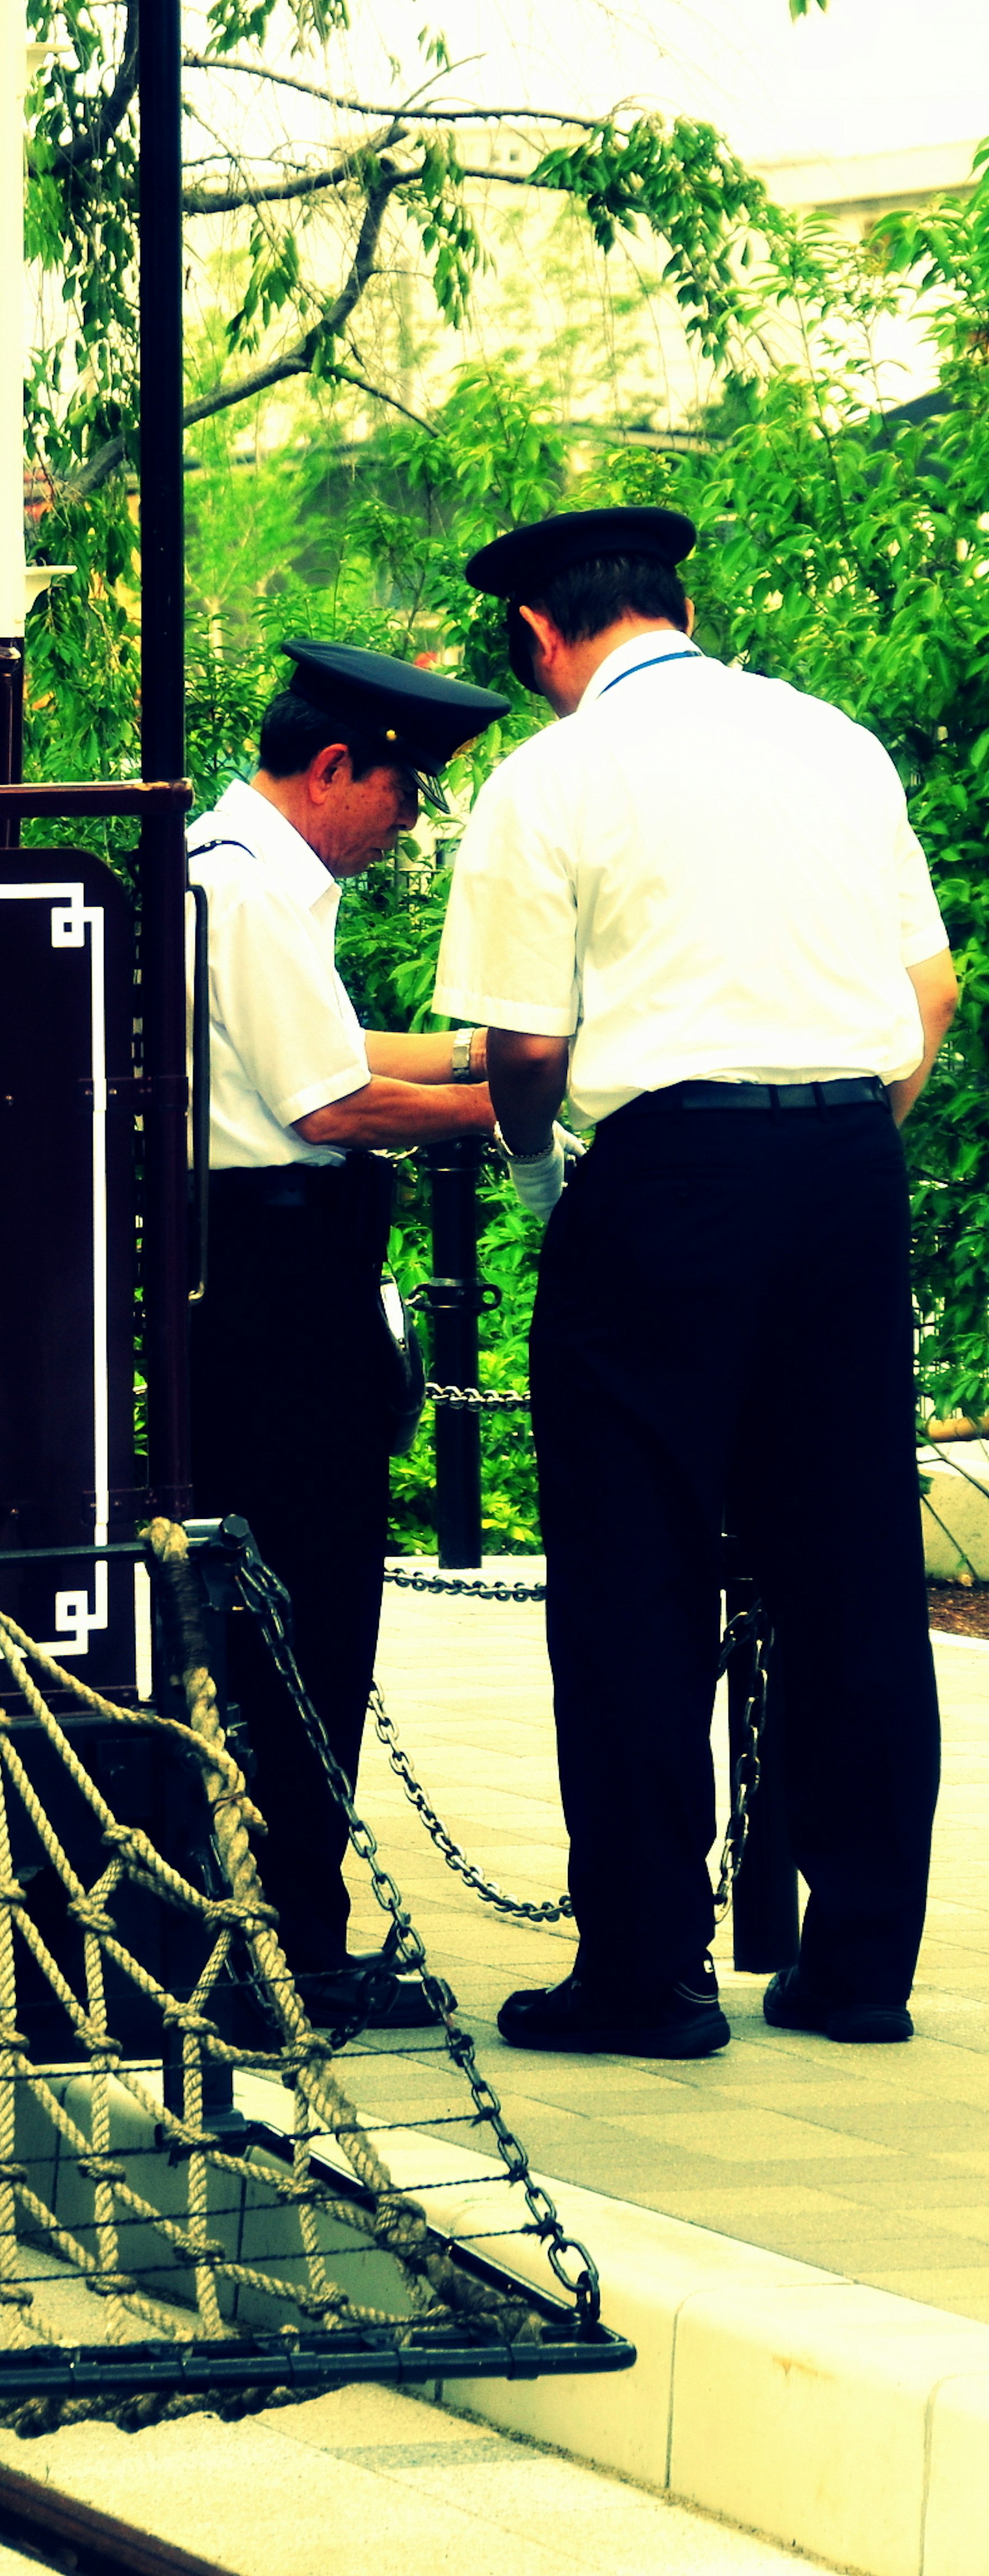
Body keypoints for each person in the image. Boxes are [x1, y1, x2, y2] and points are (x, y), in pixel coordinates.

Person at [435, 506, 956, 2057]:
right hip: (849, 1160)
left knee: (635, 1566)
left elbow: (525, 1046)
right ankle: (858, 1964)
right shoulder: (834, 744)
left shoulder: (552, 776)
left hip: (666, 1177)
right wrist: (841, 1130)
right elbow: (927, 988)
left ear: (539, 634)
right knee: (856, 1555)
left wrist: (540, 1174)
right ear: (676, 599)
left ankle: (649, 1970)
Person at [190, 640, 509, 2030]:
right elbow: (325, 1105)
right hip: (276, 1278)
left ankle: (293, 1923)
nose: (407, 824)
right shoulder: (253, 893)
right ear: (334, 768)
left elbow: (327, 1050)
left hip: (266, 1276)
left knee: (300, 1610)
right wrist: (525, 1105)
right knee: (308, 1614)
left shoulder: (243, 872)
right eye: (402, 790)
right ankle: (292, 1945)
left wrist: (475, 1053)